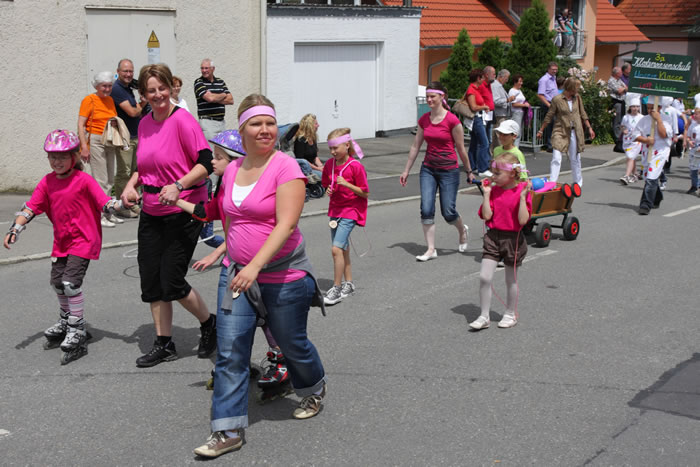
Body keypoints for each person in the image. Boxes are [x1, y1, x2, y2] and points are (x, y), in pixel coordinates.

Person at [193, 95, 327, 458]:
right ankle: (227, 430)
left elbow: (286, 224)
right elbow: (230, 220)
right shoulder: (232, 170)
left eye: (270, 123)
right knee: (231, 352)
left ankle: (313, 387)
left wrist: (254, 266)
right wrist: (228, 256)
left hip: (283, 274)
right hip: (237, 276)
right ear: (242, 130)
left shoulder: (286, 167)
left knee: (291, 343)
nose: (265, 130)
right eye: (256, 123)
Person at [120, 63, 217, 367]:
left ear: (171, 88)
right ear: (143, 94)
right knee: (152, 281)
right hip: (151, 211)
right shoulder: (145, 123)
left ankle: (209, 323)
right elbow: (143, 165)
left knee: (172, 281)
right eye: (151, 90)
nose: (158, 94)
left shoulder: (182, 120)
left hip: (183, 209)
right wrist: (130, 185)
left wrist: (179, 185)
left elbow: (206, 162)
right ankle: (164, 344)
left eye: (162, 88)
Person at [3, 130, 127, 363]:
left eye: (62, 157)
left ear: (74, 157)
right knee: (57, 283)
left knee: (70, 284)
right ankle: (66, 319)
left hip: (84, 240)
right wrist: (15, 229)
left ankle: (77, 328)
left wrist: (122, 203)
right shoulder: (48, 182)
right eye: (52, 157)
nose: (56, 161)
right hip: (62, 242)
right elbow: (30, 207)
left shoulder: (84, 180)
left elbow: (105, 204)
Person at [400, 82, 474, 262]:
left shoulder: (452, 121)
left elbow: (461, 149)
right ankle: (431, 249)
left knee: (448, 212)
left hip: (449, 170)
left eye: (432, 96)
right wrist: (406, 170)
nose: (429, 99)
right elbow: (415, 146)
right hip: (428, 169)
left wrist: (469, 171)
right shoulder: (424, 120)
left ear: (442, 97)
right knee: (426, 209)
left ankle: (462, 231)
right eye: (427, 96)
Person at [469, 152, 532, 330]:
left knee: (510, 280)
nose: (493, 176)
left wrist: (522, 198)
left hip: (513, 239)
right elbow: (486, 216)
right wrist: (486, 195)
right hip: (493, 237)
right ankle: (484, 316)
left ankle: (510, 313)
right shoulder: (494, 191)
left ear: (512, 173)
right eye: (493, 173)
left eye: (497, 173)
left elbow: (522, 220)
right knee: (484, 277)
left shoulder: (523, 191)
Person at [321, 128, 369, 306]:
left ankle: (336, 288)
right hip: (335, 211)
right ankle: (349, 284)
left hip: (351, 210)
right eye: (330, 148)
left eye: (336, 148)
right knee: (343, 249)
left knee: (336, 249)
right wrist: (328, 189)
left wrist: (347, 184)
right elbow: (326, 184)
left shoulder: (355, 166)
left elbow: (365, 193)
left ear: (347, 145)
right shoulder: (329, 165)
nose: (333, 152)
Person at [77, 71, 119, 228]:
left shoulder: (110, 100)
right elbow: (81, 124)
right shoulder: (89, 100)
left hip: (109, 139)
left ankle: (108, 213)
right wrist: (84, 146)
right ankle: (100, 214)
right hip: (95, 140)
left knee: (110, 179)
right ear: (96, 86)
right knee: (101, 180)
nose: (107, 89)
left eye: (109, 86)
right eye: (104, 86)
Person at [537, 77, 595, 187]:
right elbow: (549, 115)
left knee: (575, 158)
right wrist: (541, 130)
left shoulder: (577, 98)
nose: (578, 90)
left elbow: (583, 113)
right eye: (576, 88)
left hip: (575, 131)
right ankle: (552, 183)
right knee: (556, 157)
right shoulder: (557, 99)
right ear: (570, 88)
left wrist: (589, 127)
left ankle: (578, 183)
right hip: (560, 130)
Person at [111, 59, 145, 218]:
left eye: (131, 71)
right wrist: (143, 103)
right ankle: (122, 206)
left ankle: (133, 203)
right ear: (118, 71)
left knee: (134, 173)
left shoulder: (128, 88)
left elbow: (135, 110)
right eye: (125, 71)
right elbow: (132, 112)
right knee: (124, 173)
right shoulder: (117, 89)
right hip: (125, 138)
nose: (128, 74)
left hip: (135, 136)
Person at [633, 99, 672, 215]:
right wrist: (646, 140)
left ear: (659, 107)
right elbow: (635, 135)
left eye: (652, 108)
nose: (649, 111)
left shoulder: (666, 119)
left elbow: (664, 134)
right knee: (648, 177)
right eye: (648, 108)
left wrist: (658, 120)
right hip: (647, 152)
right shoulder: (643, 120)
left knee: (651, 176)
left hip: (660, 152)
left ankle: (645, 205)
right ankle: (657, 197)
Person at [194, 58, 233, 141]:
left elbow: (230, 100)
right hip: (208, 123)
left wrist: (214, 97)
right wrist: (223, 94)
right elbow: (210, 98)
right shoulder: (199, 82)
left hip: (221, 122)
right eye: (202, 68)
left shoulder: (220, 81)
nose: (204, 70)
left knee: (222, 148)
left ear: (213, 69)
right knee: (210, 148)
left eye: (206, 68)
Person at [465, 69, 492, 175]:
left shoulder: (475, 89)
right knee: (484, 143)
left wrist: (483, 106)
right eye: (482, 78)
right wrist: (484, 106)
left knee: (475, 143)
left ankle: (472, 166)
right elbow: (473, 107)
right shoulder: (472, 90)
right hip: (476, 119)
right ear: (478, 78)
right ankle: (482, 169)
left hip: (478, 118)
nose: (483, 80)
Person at [619, 95, 644, 185]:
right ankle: (635, 174)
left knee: (630, 157)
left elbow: (644, 128)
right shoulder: (626, 117)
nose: (635, 108)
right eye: (633, 106)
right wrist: (623, 130)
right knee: (631, 157)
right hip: (627, 140)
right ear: (630, 107)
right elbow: (622, 126)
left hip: (637, 140)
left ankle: (626, 176)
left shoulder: (641, 117)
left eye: (637, 107)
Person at [491, 69, 515, 153]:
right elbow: (495, 101)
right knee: (499, 136)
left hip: (500, 114)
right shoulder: (495, 86)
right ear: (501, 77)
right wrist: (507, 100)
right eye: (506, 78)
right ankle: (499, 154)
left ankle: (496, 154)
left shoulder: (499, 86)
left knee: (497, 136)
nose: (507, 80)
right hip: (498, 115)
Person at [293, 113, 324, 179]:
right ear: (310, 126)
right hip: (304, 169)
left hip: (313, 167)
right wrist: (318, 169)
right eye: (316, 124)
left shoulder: (313, 138)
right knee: (323, 176)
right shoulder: (300, 140)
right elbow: (302, 160)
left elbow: (315, 157)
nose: (318, 125)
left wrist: (321, 166)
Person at [537, 62, 559, 152]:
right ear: (548, 69)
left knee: (554, 124)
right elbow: (540, 95)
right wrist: (549, 105)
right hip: (548, 104)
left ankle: (553, 144)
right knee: (550, 123)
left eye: (556, 69)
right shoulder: (544, 80)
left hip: (554, 103)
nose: (555, 71)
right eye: (553, 69)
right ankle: (550, 145)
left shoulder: (553, 78)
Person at [607, 67, 628, 152]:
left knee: (621, 120)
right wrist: (624, 89)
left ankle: (620, 137)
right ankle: (617, 138)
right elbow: (619, 91)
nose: (621, 74)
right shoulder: (611, 81)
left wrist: (624, 89)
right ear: (616, 73)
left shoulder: (619, 80)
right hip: (616, 102)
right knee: (617, 120)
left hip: (622, 101)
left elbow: (626, 87)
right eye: (620, 72)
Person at [508, 74, 530, 147]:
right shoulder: (512, 91)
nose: (521, 83)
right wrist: (524, 105)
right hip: (516, 113)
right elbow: (513, 104)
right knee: (516, 132)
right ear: (515, 82)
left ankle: (515, 148)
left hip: (521, 113)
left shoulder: (519, 91)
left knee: (518, 132)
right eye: (520, 81)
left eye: (522, 81)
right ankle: (514, 149)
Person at [480, 66, 497, 151]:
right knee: (484, 140)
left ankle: (486, 156)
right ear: (487, 75)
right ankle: (482, 157)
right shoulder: (481, 85)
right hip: (484, 114)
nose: (495, 76)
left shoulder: (489, 85)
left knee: (489, 139)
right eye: (493, 74)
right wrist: (484, 106)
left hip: (490, 113)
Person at [685, 108, 700, 195]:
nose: (695, 116)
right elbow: (688, 137)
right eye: (694, 114)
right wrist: (689, 141)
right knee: (693, 169)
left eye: (697, 114)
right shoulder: (693, 125)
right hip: (694, 149)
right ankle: (694, 186)